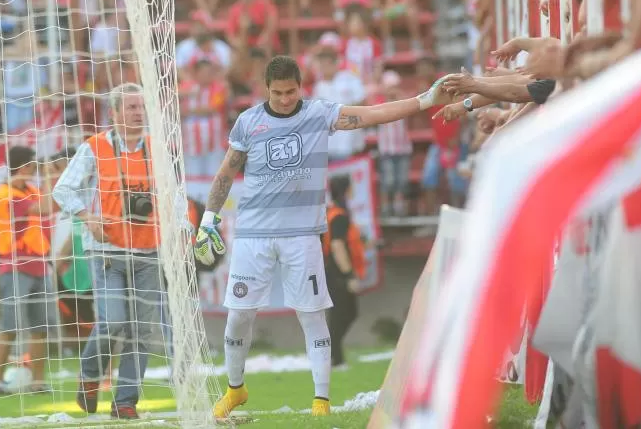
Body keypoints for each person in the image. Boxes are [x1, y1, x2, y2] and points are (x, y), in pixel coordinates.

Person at [195, 55, 456, 419]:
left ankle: (321, 401)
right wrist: (208, 219)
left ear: (301, 86)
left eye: (291, 91)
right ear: (265, 90)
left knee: (312, 314)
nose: (285, 99)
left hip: (302, 235)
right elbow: (226, 173)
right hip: (253, 236)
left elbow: (371, 114)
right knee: (239, 316)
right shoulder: (248, 122)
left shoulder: (320, 114)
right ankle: (236, 390)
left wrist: (424, 101)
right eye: (278, 93)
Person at [52, 83, 196, 420]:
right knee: (113, 321)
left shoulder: (158, 150)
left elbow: (175, 195)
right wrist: (87, 216)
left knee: (142, 330)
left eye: (140, 107)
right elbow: (62, 189)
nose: (136, 113)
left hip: (147, 251)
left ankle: (125, 401)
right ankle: (89, 377)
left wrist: (182, 229)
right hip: (106, 251)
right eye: (130, 107)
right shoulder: (94, 147)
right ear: (114, 113)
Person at [0, 146, 56, 395]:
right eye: (34, 166)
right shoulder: (6, 194)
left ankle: (37, 382)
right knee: (10, 326)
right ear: (26, 167)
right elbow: (45, 208)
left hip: (39, 265)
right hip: (15, 266)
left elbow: (52, 205)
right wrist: (50, 177)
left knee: (41, 328)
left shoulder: (30, 190)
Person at [322, 174, 366, 369]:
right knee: (342, 314)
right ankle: (334, 358)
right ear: (347, 190)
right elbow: (338, 246)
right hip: (336, 272)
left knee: (344, 313)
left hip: (331, 269)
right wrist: (348, 275)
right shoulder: (338, 215)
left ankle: (333, 356)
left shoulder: (334, 212)